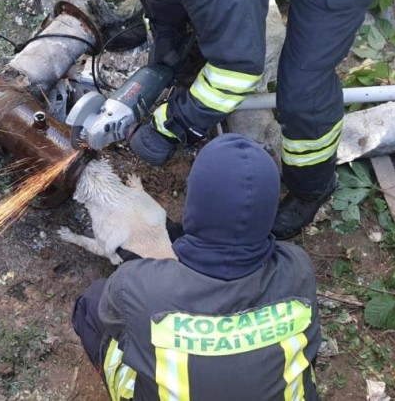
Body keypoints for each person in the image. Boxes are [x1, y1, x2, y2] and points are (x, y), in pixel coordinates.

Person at [128, 0, 385, 239]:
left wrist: (171, 126)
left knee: (303, 92)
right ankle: (199, 81)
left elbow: (237, 70)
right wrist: (166, 25)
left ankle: (312, 187)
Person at [73, 134, 322, 401]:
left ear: (194, 206)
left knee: (91, 303)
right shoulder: (297, 268)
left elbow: (117, 325)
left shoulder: (137, 285)